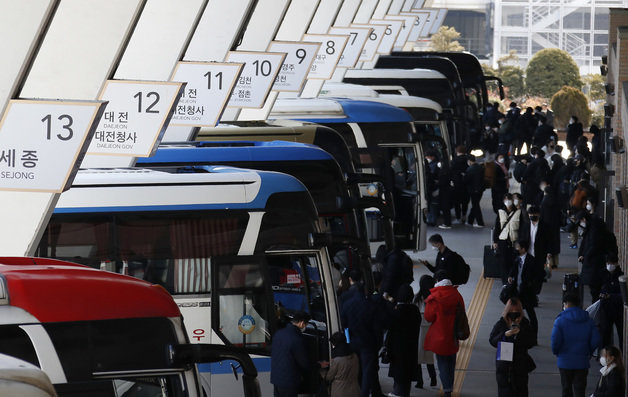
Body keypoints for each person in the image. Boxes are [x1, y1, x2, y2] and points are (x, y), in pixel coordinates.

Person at [551, 292, 601, 397]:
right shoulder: (588, 320)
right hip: (582, 361)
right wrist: (589, 351)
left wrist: (557, 352)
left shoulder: (560, 321)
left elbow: (555, 341)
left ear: (566, 304)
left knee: (566, 389)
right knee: (580, 390)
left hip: (565, 361)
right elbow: (596, 340)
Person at [424, 270, 466, 397]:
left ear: (437, 280)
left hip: (439, 336)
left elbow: (428, 317)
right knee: (451, 362)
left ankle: (447, 389)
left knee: (442, 363)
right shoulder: (457, 295)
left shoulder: (434, 297)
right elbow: (462, 312)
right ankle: (450, 386)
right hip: (453, 335)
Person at [489, 297, 536, 397]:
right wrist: (505, 334)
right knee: (505, 391)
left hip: (520, 365)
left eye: (517, 312)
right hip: (504, 366)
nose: (514, 315)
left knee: (521, 390)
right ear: (507, 311)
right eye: (511, 312)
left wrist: (521, 332)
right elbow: (492, 341)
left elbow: (532, 342)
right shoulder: (501, 324)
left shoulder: (525, 324)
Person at [386, 283, 421, 397]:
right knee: (407, 376)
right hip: (411, 347)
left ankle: (397, 393)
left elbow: (390, 330)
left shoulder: (396, 312)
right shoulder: (415, 311)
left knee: (399, 375)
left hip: (397, 349)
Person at [507, 240, 542, 345]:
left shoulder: (531, 261)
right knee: (513, 314)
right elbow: (513, 270)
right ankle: (514, 334)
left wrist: (532, 287)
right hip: (517, 292)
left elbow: (538, 275)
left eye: (518, 247)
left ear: (523, 249)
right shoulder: (517, 259)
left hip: (527, 293)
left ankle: (534, 338)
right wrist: (510, 276)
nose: (516, 249)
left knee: (531, 314)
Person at [271, 311, 313, 397]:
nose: (305, 326)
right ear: (302, 323)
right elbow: (304, 362)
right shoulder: (297, 339)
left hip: (276, 379)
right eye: (306, 324)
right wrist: (317, 365)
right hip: (289, 381)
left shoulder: (278, 334)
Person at [413, 275, 437, 389]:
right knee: (429, 356)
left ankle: (420, 381)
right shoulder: (434, 298)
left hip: (418, 331)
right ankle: (433, 378)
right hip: (430, 331)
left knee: (418, 357)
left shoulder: (416, 299)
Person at [578, 212, 608, 303]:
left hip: (593, 263)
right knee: (594, 289)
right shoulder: (592, 227)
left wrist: (585, 256)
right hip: (593, 262)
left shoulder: (593, 229)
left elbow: (593, 245)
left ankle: (596, 309)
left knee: (595, 289)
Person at [321, 331, 360, 397]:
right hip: (355, 390)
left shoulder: (336, 360)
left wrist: (322, 372)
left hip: (340, 391)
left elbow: (329, 377)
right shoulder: (355, 355)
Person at [493, 193, 520, 284]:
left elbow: (522, 228)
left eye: (509, 199)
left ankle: (512, 280)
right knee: (503, 262)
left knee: (513, 262)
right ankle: (505, 282)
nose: (508, 202)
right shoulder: (501, 212)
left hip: (514, 241)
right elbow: (497, 227)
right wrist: (495, 240)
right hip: (503, 241)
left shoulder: (518, 212)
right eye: (506, 200)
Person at [599, 254, 624, 349]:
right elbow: (597, 288)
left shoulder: (620, 275)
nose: (610, 265)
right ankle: (604, 356)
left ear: (616, 263)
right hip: (605, 308)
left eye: (612, 263)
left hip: (618, 309)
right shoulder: (602, 273)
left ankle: (622, 355)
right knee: (605, 333)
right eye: (608, 263)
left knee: (621, 334)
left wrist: (610, 296)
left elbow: (622, 294)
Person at [464, 155, 485, 228]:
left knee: (475, 206)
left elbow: (466, 180)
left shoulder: (470, 169)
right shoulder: (480, 167)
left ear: (469, 161)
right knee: (475, 205)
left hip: (473, 190)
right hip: (480, 189)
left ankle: (480, 222)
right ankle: (470, 220)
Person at [451, 146, 470, 225]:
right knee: (465, 202)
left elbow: (451, 171)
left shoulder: (454, 160)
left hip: (457, 184)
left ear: (457, 151)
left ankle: (458, 217)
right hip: (466, 184)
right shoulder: (468, 159)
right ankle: (464, 216)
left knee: (457, 202)